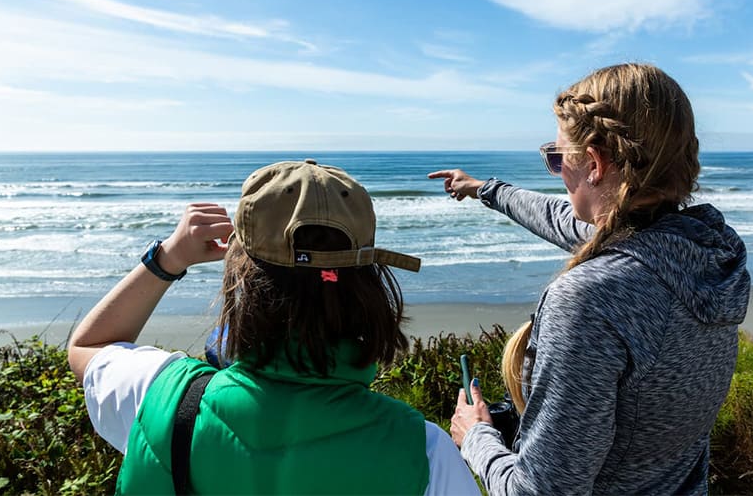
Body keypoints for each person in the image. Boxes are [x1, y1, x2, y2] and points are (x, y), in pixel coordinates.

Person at [429, 63, 750, 495]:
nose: (557, 171)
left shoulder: (591, 299)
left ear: (595, 163)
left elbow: (540, 491)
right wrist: (485, 189)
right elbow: (564, 218)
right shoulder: (712, 256)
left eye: (557, 157)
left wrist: (476, 438)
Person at [68, 159, 480, 495]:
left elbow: (89, 347)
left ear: (240, 278)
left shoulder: (163, 399)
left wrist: (168, 258)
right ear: (367, 286)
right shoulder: (423, 452)